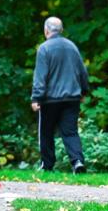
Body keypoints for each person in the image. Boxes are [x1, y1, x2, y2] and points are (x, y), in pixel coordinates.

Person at [30, 16, 90, 173]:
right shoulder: (72, 47)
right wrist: (83, 91)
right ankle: (77, 161)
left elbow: (40, 76)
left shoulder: (44, 48)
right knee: (70, 132)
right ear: (61, 30)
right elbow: (83, 72)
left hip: (50, 100)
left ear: (46, 30)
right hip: (72, 98)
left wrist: (36, 97)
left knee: (46, 133)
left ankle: (47, 165)